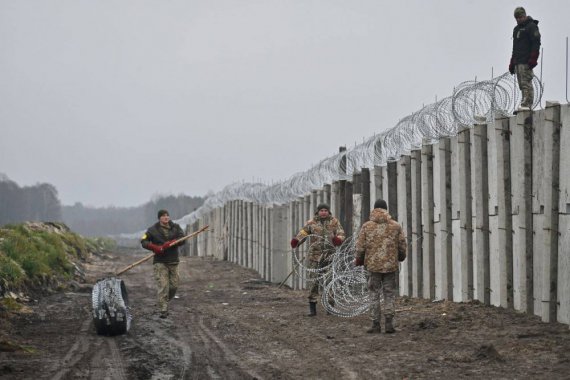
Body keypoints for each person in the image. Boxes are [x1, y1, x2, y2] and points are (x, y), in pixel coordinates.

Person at [354, 199, 406, 334]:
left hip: (373, 266)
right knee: (389, 294)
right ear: (386, 209)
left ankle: (375, 324)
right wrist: (400, 257)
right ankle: (389, 323)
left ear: (374, 209)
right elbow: (402, 245)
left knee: (374, 294)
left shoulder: (367, 226)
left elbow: (360, 246)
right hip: (390, 266)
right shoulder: (395, 226)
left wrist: (359, 259)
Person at [290, 203, 345, 317]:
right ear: (318, 212)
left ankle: (330, 307)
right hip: (314, 257)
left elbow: (341, 233)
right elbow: (303, 234)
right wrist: (297, 241)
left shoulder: (334, 222)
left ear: (328, 211)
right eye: (321, 210)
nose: (323, 212)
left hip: (329, 256)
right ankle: (312, 307)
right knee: (313, 282)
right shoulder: (311, 223)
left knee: (330, 281)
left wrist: (337, 239)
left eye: (325, 210)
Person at [141, 209, 186, 319]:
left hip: (173, 261)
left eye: (167, 215)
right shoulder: (152, 230)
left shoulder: (176, 227)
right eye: (163, 216)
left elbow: (183, 238)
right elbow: (143, 241)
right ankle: (163, 309)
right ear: (159, 218)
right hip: (160, 262)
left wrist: (173, 242)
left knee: (174, 286)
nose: (166, 217)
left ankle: (164, 300)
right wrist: (154, 247)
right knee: (163, 285)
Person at [508, 6, 541, 111]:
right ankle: (524, 102)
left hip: (526, 61)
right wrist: (512, 62)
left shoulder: (531, 27)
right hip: (518, 60)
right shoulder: (516, 29)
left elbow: (536, 43)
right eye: (516, 18)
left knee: (526, 83)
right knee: (521, 85)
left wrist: (533, 59)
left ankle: (527, 104)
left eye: (520, 17)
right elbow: (515, 47)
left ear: (524, 15)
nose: (518, 19)